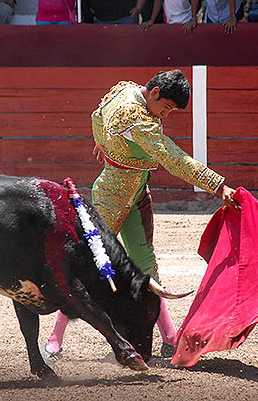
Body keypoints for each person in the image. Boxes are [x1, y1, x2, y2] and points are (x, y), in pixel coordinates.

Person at [42, 70, 240, 362]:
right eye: (167, 108)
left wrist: (103, 142)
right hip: (111, 197)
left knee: (146, 263)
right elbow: (173, 158)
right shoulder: (135, 118)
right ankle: (54, 337)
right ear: (156, 92)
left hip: (136, 191)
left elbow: (97, 115)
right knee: (89, 265)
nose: (167, 115)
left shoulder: (125, 89)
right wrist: (218, 185)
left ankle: (170, 337)